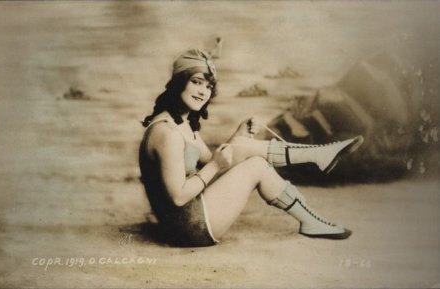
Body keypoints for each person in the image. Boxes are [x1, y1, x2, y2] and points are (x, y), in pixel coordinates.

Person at [139, 49, 364, 247]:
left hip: (184, 220)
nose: (202, 92)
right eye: (196, 82)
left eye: (208, 86)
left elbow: (210, 163)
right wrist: (218, 163)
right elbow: (178, 197)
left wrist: (238, 136)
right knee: (256, 166)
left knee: (245, 150)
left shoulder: (181, 123)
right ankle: (317, 158)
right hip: (188, 229)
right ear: (180, 81)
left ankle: (313, 202)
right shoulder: (167, 133)